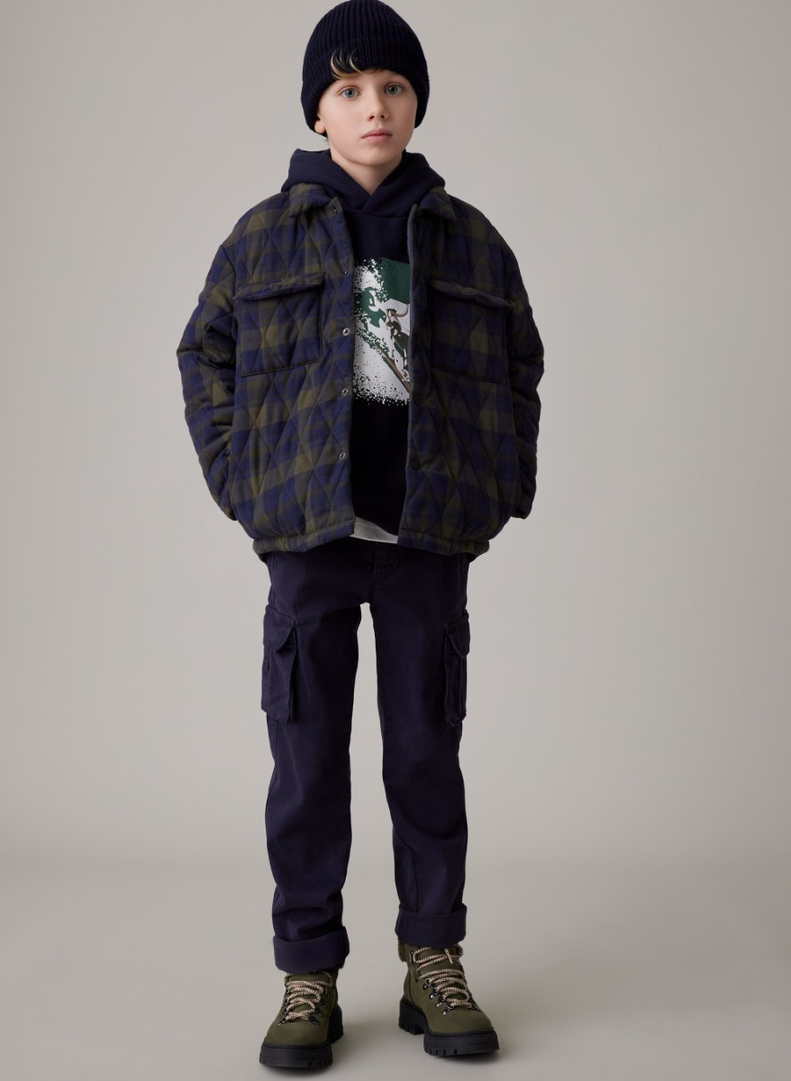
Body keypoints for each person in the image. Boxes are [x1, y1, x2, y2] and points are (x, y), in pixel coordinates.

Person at [176, 0, 544, 1069]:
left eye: (390, 87)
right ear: (317, 112)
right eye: (347, 90)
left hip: (425, 536)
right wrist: (245, 480)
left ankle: (433, 960)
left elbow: (519, 362)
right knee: (306, 765)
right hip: (310, 537)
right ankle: (309, 972)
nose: (371, 106)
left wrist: (498, 486)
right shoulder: (264, 235)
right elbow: (205, 355)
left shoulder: (466, 237)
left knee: (426, 755)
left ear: (415, 104)